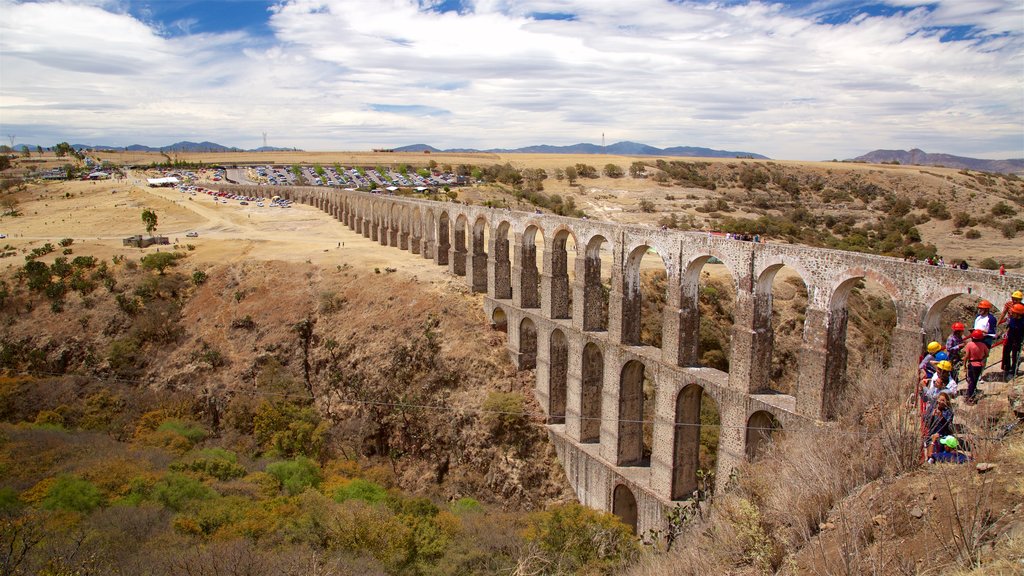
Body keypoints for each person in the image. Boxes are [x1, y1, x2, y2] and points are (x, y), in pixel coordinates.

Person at [963, 329, 989, 404]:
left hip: (972, 364)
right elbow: (987, 354)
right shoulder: (983, 345)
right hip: (979, 364)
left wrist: (964, 366)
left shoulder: (969, 345)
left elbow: (967, 356)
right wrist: (982, 359)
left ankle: (970, 397)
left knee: (971, 381)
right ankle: (972, 395)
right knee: (975, 381)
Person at [1001, 303, 1024, 379]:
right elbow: (1008, 327)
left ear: (1018, 314)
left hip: (1018, 341)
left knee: (1015, 356)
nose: (1011, 313)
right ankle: (1006, 368)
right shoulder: (1012, 319)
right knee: (1006, 353)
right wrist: (1004, 333)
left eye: (1013, 312)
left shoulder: (1022, 322)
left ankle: (1013, 371)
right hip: (1010, 339)